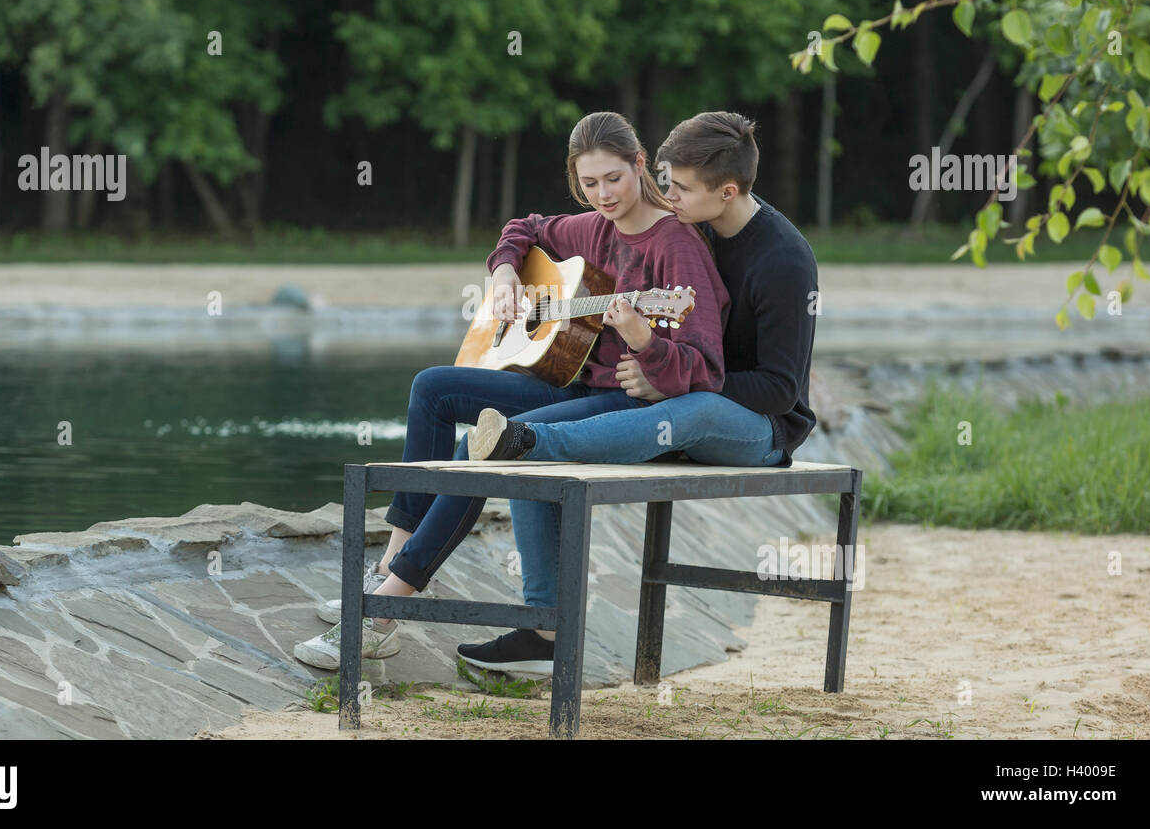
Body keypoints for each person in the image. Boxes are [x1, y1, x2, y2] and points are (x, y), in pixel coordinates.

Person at [293, 110, 731, 669]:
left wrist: (647, 348)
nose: (603, 195)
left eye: (614, 179)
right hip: (570, 389)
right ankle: (388, 565)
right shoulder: (591, 228)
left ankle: (382, 613)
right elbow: (522, 229)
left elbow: (706, 369)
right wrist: (503, 274)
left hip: (628, 411)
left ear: (640, 164)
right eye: (589, 183)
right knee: (433, 388)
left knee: (478, 446)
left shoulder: (677, 246)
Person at [457, 111, 820, 677]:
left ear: (726, 193)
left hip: (757, 428)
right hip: (668, 399)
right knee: (527, 426)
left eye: (679, 189)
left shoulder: (783, 263)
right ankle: (541, 627)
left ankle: (532, 442)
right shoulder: (693, 228)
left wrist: (676, 376)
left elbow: (779, 389)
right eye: (666, 179)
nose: (666, 196)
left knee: (690, 408)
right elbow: (528, 230)